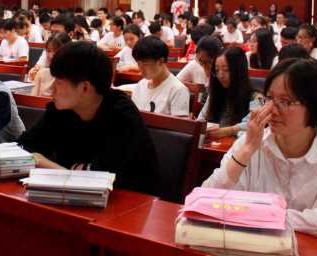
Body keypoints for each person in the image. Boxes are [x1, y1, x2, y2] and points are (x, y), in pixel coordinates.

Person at [202, 58, 317, 240]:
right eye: (269, 99)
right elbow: (207, 199)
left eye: (285, 101)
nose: (272, 110)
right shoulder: (252, 142)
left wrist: (257, 214)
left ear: (315, 105)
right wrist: (245, 152)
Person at [18, 41, 159, 193]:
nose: (52, 88)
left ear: (85, 87)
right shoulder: (60, 110)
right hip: (68, 197)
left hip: (129, 201)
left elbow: (99, 179)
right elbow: (24, 146)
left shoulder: (121, 115)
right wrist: (72, 170)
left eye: (58, 83)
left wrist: (44, 163)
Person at [198, 47, 260, 140]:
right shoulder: (215, 93)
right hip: (213, 144)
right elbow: (201, 118)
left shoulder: (256, 97)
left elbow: (253, 123)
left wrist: (229, 130)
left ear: (239, 70)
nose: (220, 75)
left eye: (226, 70)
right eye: (217, 70)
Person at [131, 36, 189, 116]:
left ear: (161, 61)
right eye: (138, 64)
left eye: (145, 64)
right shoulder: (141, 85)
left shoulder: (178, 90)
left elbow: (179, 123)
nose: (141, 70)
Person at [31, 32, 72, 97]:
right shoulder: (41, 73)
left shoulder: (73, 77)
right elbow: (33, 99)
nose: (51, 56)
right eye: (48, 51)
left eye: (56, 51)